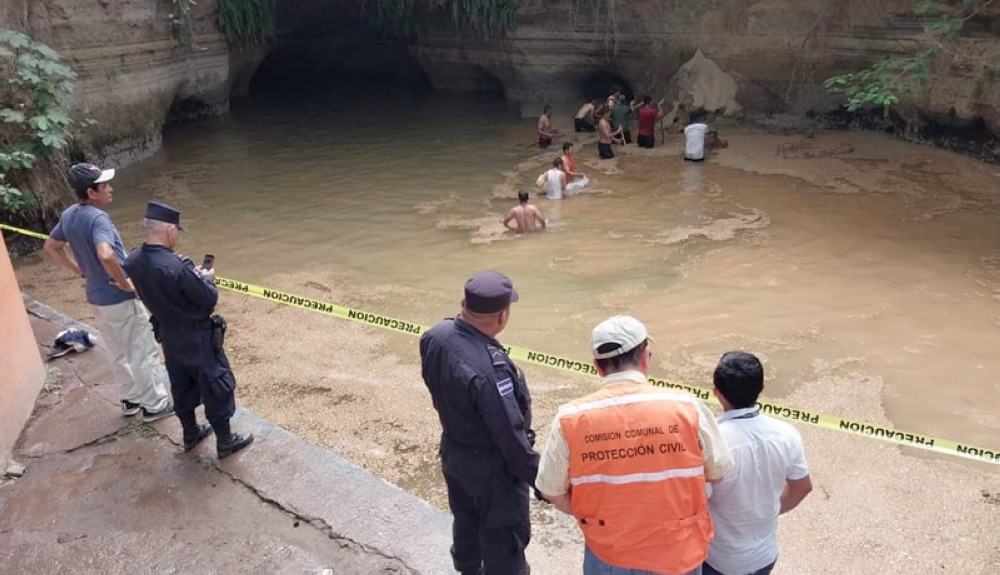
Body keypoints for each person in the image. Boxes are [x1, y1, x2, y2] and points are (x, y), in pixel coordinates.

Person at [536, 315, 734, 575]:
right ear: (645, 356)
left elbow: (550, 489)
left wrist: (596, 515)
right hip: (678, 552)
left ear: (597, 366)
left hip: (608, 554)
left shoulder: (570, 418)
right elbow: (719, 471)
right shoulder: (688, 407)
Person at [420, 271, 538, 575]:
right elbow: (510, 438)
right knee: (505, 543)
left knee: (466, 521)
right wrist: (541, 480)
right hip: (493, 472)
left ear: (463, 303)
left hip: (455, 453)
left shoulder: (435, 335)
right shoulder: (490, 373)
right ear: (502, 316)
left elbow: (433, 385)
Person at [122, 202, 254, 459]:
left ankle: (190, 433)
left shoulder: (133, 260)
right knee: (216, 384)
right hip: (197, 336)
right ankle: (225, 441)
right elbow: (208, 299)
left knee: (181, 385)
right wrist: (208, 280)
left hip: (168, 335)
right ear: (170, 230)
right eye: (177, 231)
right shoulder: (177, 266)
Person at [43, 163, 173, 423]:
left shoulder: (69, 214)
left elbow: (51, 246)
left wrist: (81, 271)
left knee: (117, 351)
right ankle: (155, 406)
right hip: (119, 299)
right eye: (105, 185)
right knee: (142, 351)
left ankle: (130, 399)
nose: (111, 189)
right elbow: (105, 253)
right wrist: (124, 282)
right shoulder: (98, 218)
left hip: (97, 298)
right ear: (92, 192)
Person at [704, 352, 812, 575]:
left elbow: (696, 502)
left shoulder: (711, 442)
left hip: (719, 559)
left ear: (716, 392)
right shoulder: (787, 434)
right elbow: (802, 487)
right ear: (761, 388)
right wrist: (768, 511)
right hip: (764, 556)